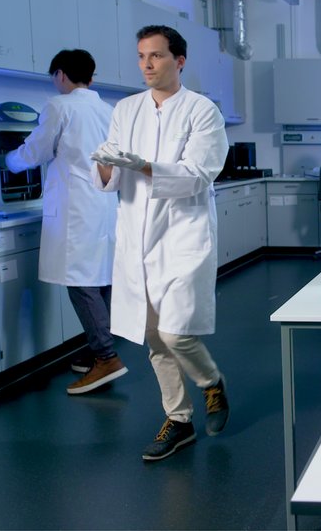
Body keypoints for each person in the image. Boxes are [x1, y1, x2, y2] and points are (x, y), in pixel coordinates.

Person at [91, 25, 230, 462]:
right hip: (137, 235)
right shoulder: (126, 109)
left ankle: (211, 383)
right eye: (141, 56)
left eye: (156, 55)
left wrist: (144, 165)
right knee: (152, 336)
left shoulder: (201, 111)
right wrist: (105, 164)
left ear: (179, 61)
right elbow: (111, 176)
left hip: (183, 234)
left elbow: (198, 175)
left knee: (176, 332)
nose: (147, 64)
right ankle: (179, 419)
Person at [4, 49, 123, 395]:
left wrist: (7, 161)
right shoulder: (108, 111)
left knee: (81, 284)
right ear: (92, 76)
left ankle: (106, 357)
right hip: (103, 206)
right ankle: (97, 350)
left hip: (76, 211)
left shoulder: (60, 106)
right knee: (101, 280)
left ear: (60, 74)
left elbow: (35, 151)